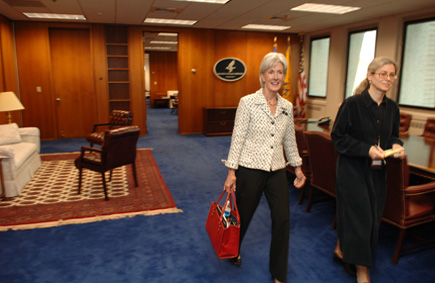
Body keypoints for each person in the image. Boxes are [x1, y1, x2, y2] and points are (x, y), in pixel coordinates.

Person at [222, 52, 306, 283]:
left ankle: (279, 274)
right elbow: (237, 137)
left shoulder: (287, 106)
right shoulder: (248, 102)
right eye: (271, 72)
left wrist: (297, 167)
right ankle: (233, 248)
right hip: (249, 168)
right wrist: (231, 172)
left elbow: (289, 140)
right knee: (244, 216)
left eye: (280, 72)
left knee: (282, 219)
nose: (276, 77)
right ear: (262, 76)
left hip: (277, 170)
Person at [331, 57, 405, 283]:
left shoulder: (392, 107)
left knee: (371, 216)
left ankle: (340, 250)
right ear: (370, 76)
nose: (388, 78)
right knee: (362, 218)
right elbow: (338, 138)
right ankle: (363, 270)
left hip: (377, 172)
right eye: (383, 73)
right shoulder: (352, 104)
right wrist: (366, 149)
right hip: (352, 170)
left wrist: (396, 145)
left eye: (391, 74)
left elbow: (392, 135)